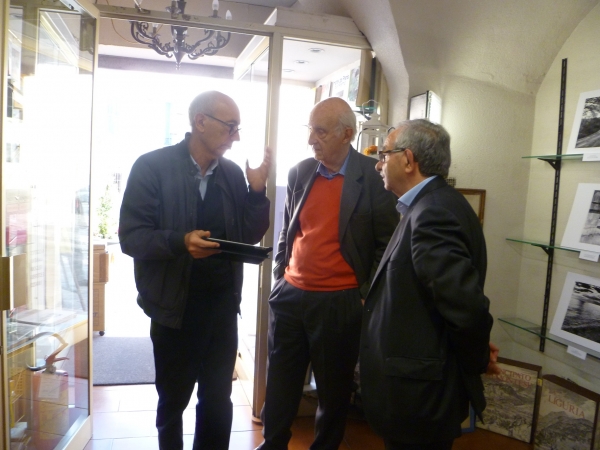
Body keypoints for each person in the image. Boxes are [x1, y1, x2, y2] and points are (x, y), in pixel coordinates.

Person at [118, 91, 271, 450]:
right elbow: (132, 238)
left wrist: (256, 192)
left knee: (217, 400)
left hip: (222, 308)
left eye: (238, 128)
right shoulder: (152, 167)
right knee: (173, 400)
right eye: (230, 127)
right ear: (200, 122)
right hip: (174, 310)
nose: (236, 137)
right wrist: (180, 242)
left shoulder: (231, 174)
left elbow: (246, 235)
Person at [255, 97, 399, 450]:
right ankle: (272, 444)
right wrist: (281, 276)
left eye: (320, 132)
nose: (311, 140)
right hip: (290, 296)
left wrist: (363, 295)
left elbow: (387, 245)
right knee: (281, 381)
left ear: (347, 134)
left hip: (340, 302)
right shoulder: (301, 172)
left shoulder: (374, 176)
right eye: (311, 130)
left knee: (333, 391)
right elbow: (288, 231)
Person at [359, 119, 494, 450]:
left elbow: (466, 309)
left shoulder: (433, 213)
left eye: (384, 154)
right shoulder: (431, 204)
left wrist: (477, 358)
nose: (378, 164)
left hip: (419, 396)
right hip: (417, 387)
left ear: (408, 160)